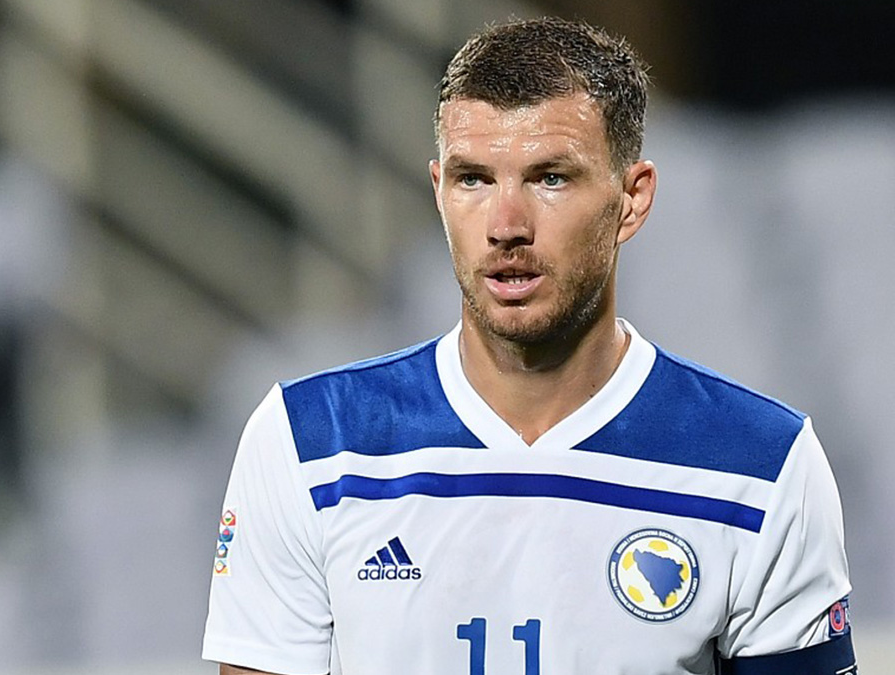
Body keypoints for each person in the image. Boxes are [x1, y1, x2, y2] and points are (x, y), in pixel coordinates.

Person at [203, 16, 855, 675]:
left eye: (550, 178)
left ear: (631, 200)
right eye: (474, 179)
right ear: (438, 192)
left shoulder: (762, 467)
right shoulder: (310, 444)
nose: (506, 225)